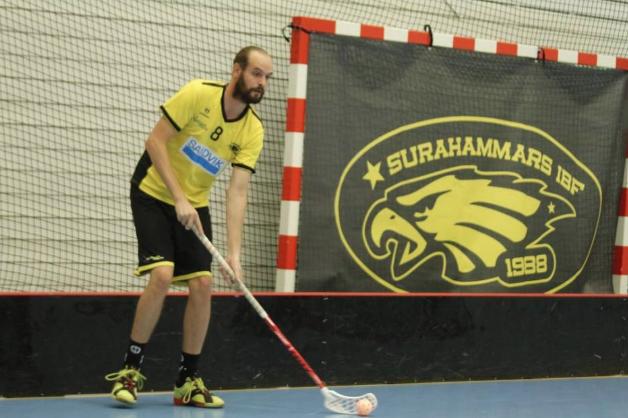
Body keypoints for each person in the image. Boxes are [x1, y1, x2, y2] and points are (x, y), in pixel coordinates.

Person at [104, 46, 273, 408]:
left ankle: (187, 381)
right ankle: (130, 371)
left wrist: (234, 254)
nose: (262, 83)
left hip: (193, 204)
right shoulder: (198, 93)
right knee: (162, 275)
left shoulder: (253, 130)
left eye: (267, 78)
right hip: (152, 192)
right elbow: (155, 141)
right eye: (256, 73)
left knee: (203, 283)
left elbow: (237, 191)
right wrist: (178, 197)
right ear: (237, 71)